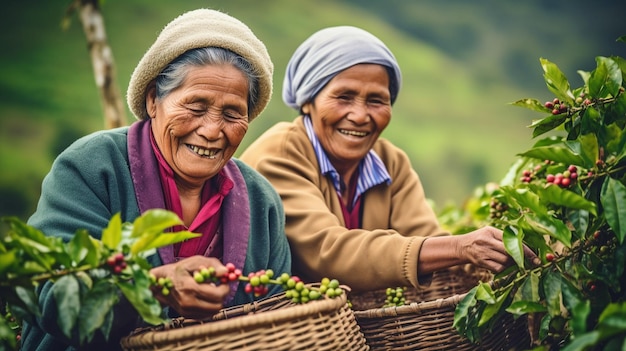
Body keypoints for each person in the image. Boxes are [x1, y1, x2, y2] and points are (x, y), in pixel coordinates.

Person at [20, 8, 291, 351]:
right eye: (195, 106)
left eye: (232, 113)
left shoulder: (260, 199)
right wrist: (149, 286)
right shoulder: (92, 166)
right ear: (153, 100)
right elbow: (52, 296)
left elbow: (278, 316)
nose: (211, 131)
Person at [239, 26, 538, 293]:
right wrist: (460, 246)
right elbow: (328, 252)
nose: (359, 116)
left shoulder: (389, 161)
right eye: (343, 97)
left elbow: (427, 238)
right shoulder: (279, 153)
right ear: (308, 101)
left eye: (376, 100)